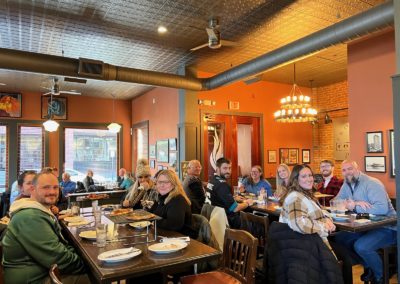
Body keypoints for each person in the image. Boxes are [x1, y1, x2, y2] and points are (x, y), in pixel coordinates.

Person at [2, 171, 87, 283]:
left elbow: (60, 246)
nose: (52, 192)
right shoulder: (30, 217)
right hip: (34, 279)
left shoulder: (37, 211)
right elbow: (58, 258)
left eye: (55, 187)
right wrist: (87, 266)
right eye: (46, 187)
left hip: (41, 271)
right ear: (33, 189)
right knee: (94, 278)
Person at [332, 160, 396, 284]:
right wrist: (350, 203)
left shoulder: (372, 183)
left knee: (361, 246)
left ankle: (380, 277)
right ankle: (368, 265)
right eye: (344, 170)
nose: (347, 172)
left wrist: (354, 206)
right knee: (339, 239)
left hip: (388, 227)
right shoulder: (347, 184)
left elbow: (382, 209)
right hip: (366, 226)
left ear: (357, 168)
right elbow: (336, 201)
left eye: (350, 168)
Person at [280, 164, 336, 248]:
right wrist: (323, 227)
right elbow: (298, 223)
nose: (309, 179)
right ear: (296, 180)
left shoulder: (306, 194)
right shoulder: (295, 197)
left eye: (310, 175)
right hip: (303, 247)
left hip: (311, 242)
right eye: (304, 176)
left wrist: (327, 219)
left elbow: (320, 210)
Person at [206, 157, 254, 229]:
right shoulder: (222, 184)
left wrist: (233, 198)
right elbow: (235, 208)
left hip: (213, 218)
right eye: (225, 168)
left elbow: (218, 197)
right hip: (226, 222)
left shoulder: (212, 180)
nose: (228, 171)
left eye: (229, 168)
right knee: (255, 224)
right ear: (218, 169)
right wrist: (247, 203)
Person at [149, 169, 196, 238]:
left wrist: (153, 221)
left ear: (174, 184)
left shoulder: (178, 199)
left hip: (184, 240)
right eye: (159, 182)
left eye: (166, 182)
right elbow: (151, 214)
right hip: (167, 236)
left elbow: (174, 225)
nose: (162, 185)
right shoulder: (161, 197)